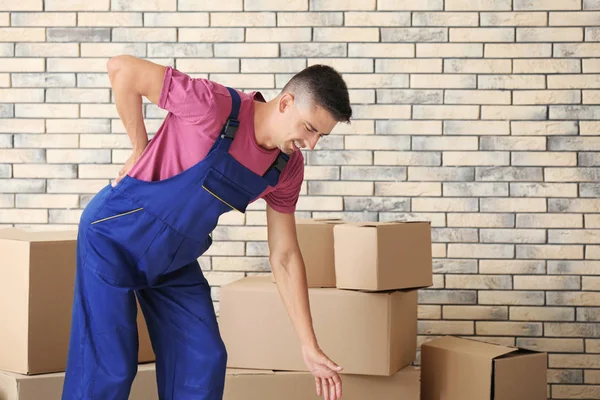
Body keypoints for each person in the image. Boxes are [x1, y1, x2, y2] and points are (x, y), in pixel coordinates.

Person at [61, 55, 352, 400]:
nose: (313, 143)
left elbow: (285, 255)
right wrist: (139, 149)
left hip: (173, 259)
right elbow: (122, 69)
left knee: (203, 358)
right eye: (310, 128)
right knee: (110, 364)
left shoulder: (285, 168)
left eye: (322, 135)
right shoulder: (214, 106)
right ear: (286, 103)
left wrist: (308, 345)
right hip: (113, 237)